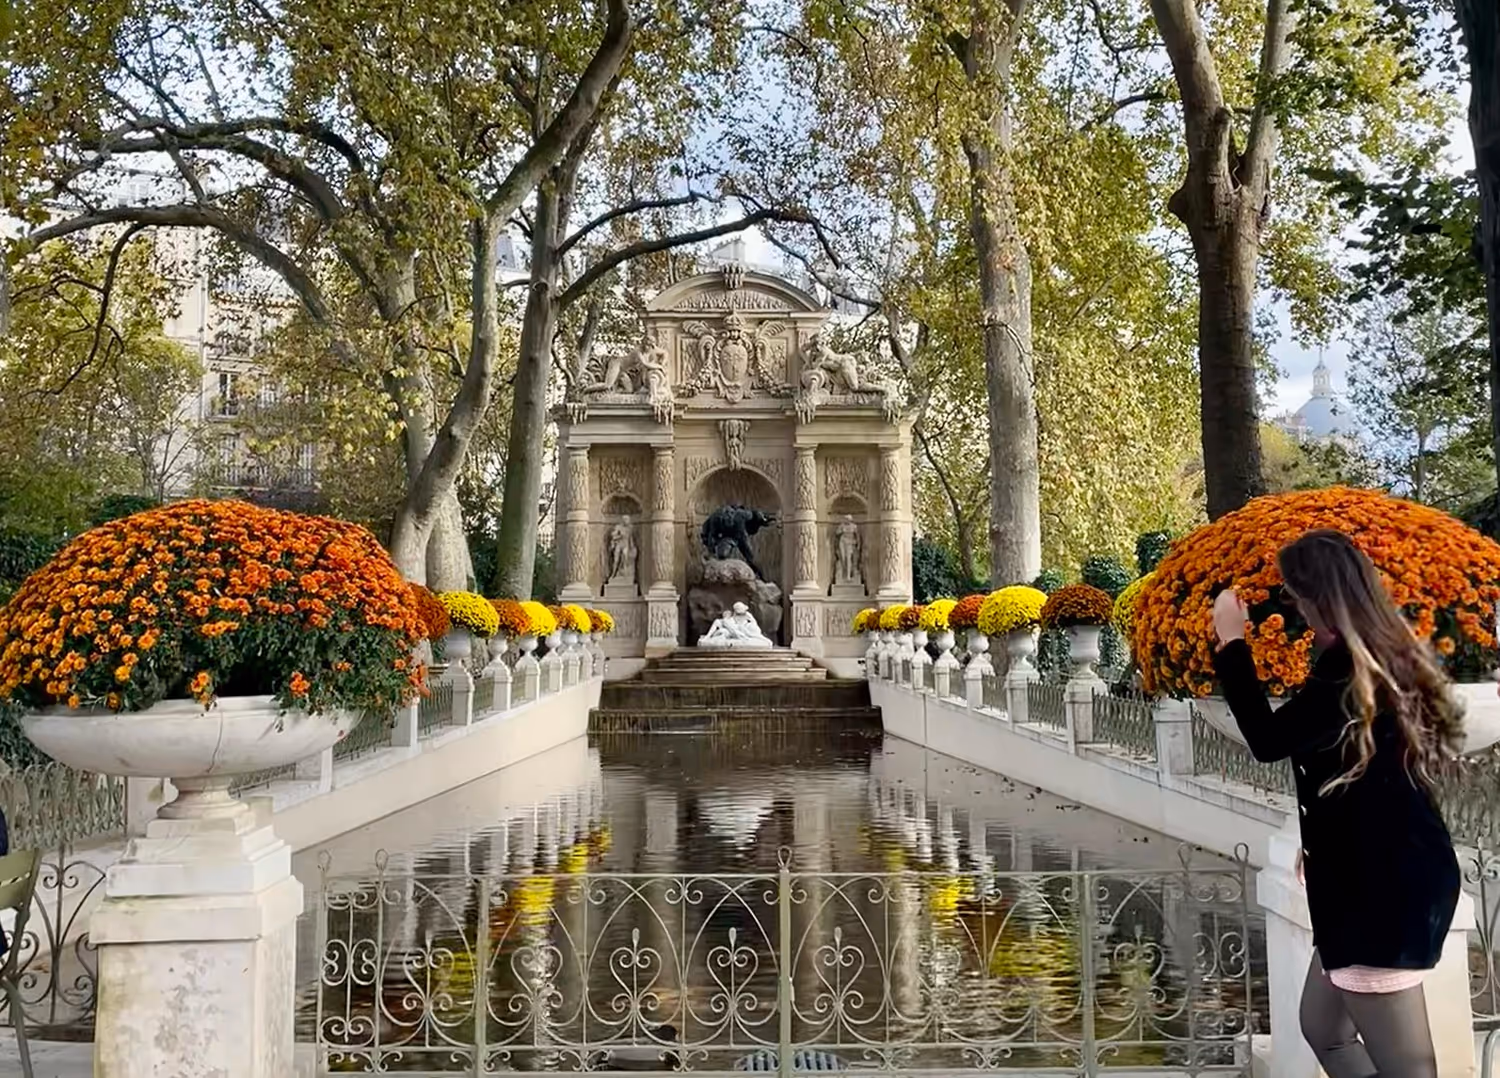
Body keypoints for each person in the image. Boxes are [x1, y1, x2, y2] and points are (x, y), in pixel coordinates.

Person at [1211, 529, 1462, 1078]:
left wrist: (1231, 644)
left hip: (1382, 893)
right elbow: (1366, 772)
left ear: (1319, 600)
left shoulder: (1352, 671)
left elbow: (1269, 740)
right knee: (1323, 1029)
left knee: (1410, 1069)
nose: (1292, 609)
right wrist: (1322, 838)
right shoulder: (1362, 654)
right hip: (1370, 874)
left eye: (1296, 597)